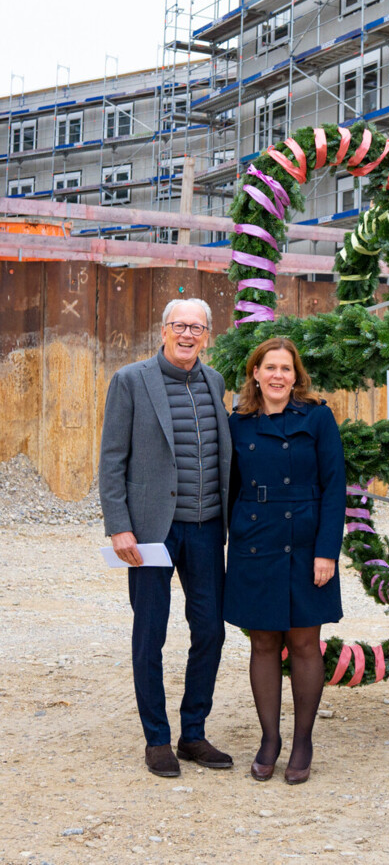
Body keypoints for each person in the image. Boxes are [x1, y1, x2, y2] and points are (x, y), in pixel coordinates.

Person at [99, 298, 233, 778]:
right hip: (150, 531)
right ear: (163, 330)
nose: (188, 334)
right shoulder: (131, 381)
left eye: (197, 327)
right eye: (180, 325)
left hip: (205, 529)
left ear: (207, 335)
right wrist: (118, 525)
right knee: (150, 633)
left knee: (211, 632)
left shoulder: (215, 382)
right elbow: (112, 458)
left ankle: (193, 733)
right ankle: (157, 739)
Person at [224, 337, 346, 784]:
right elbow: (228, 487)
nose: (277, 375)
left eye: (286, 369)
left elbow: (335, 488)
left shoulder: (317, 417)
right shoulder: (236, 423)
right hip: (255, 542)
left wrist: (326, 552)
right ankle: (269, 739)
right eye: (269, 367)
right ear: (255, 373)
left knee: (304, 645)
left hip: (305, 544)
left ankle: (303, 741)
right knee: (262, 644)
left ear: (296, 377)